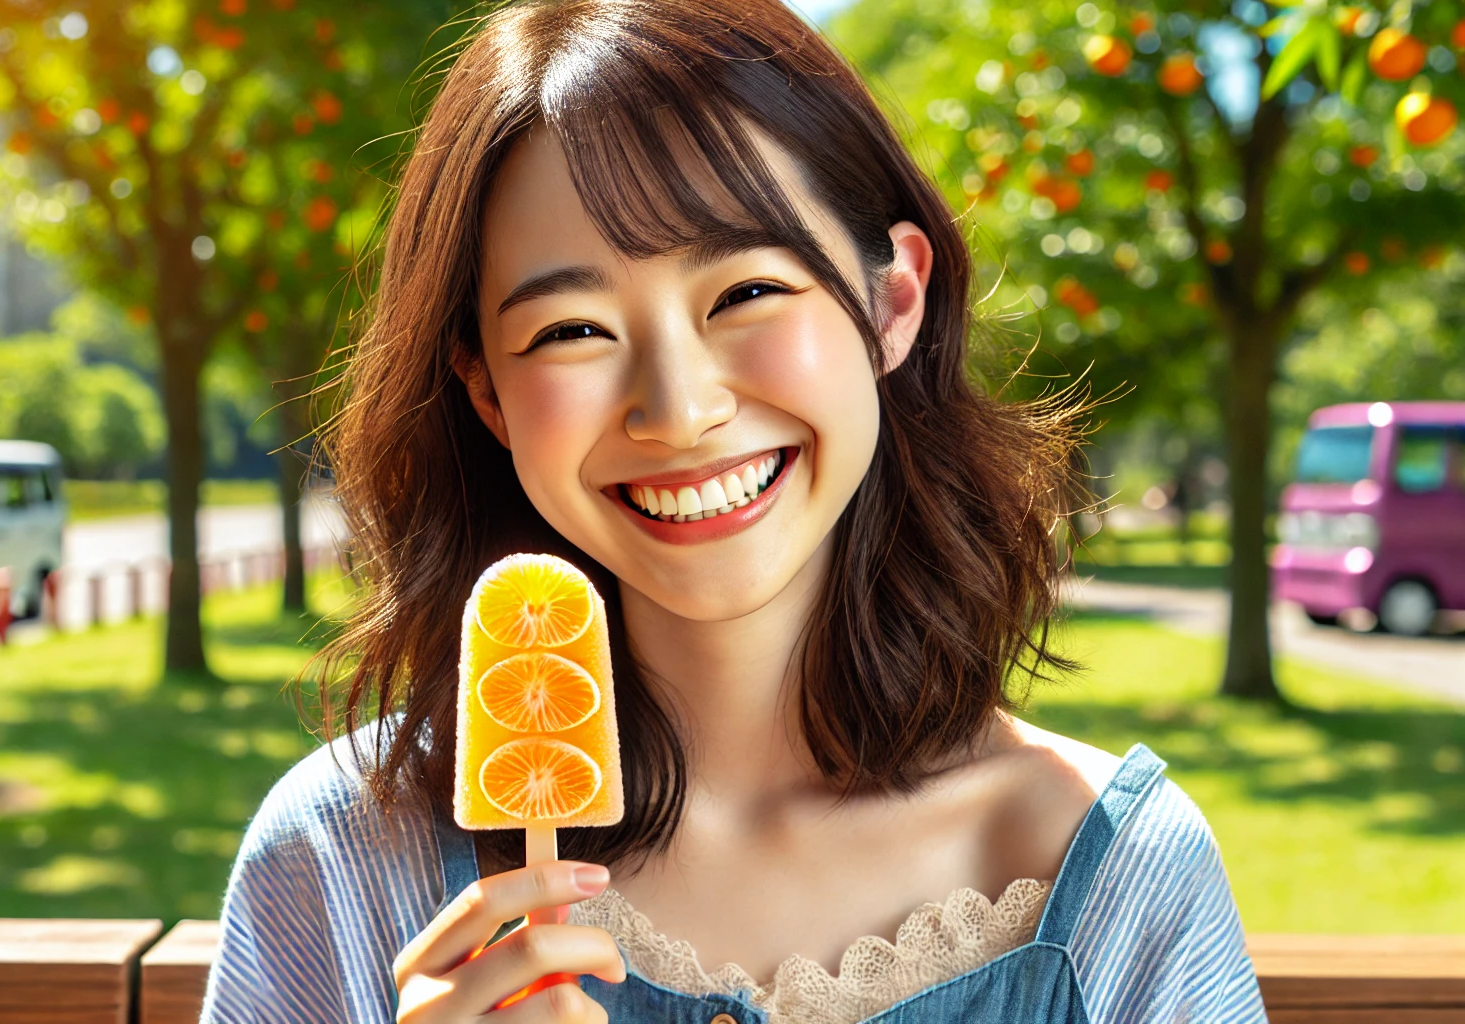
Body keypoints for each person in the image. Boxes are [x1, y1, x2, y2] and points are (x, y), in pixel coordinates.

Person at [204, 1, 1266, 1021]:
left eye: (746, 292)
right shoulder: (340, 859)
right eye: (572, 329)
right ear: (488, 393)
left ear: (891, 299)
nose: (677, 409)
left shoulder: (1116, 875)